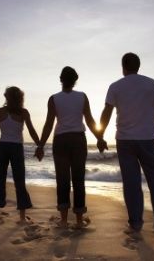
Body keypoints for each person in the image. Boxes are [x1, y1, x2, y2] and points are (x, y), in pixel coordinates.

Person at [97, 52, 154, 239]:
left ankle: (135, 224)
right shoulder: (151, 83)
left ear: (123, 67)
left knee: (131, 184)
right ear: (138, 66)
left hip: (125, 140)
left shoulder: (115, 86)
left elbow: (106, 112)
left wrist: (100, 135)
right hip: (147, 138)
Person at [36, 66, 101, 228]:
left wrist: (41, 145)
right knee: (78, 180)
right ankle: (79, 220)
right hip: (78, 139)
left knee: (62, 179)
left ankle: (64, 220)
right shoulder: (82, 97)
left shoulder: (54, 99)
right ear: (75, 80)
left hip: (61, 140)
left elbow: (49, 124)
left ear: (61, 80)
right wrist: (99, 138)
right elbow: (90, 120)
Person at [0, 87, 40, 224]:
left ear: (7, 97)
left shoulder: (0, 112)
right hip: (16, 148)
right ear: (20, 98)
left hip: (4, 147)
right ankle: (22, 217)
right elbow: (32, 131)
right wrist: (39, 146)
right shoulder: (23, 112)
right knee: (19, 181)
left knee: (0, 179)